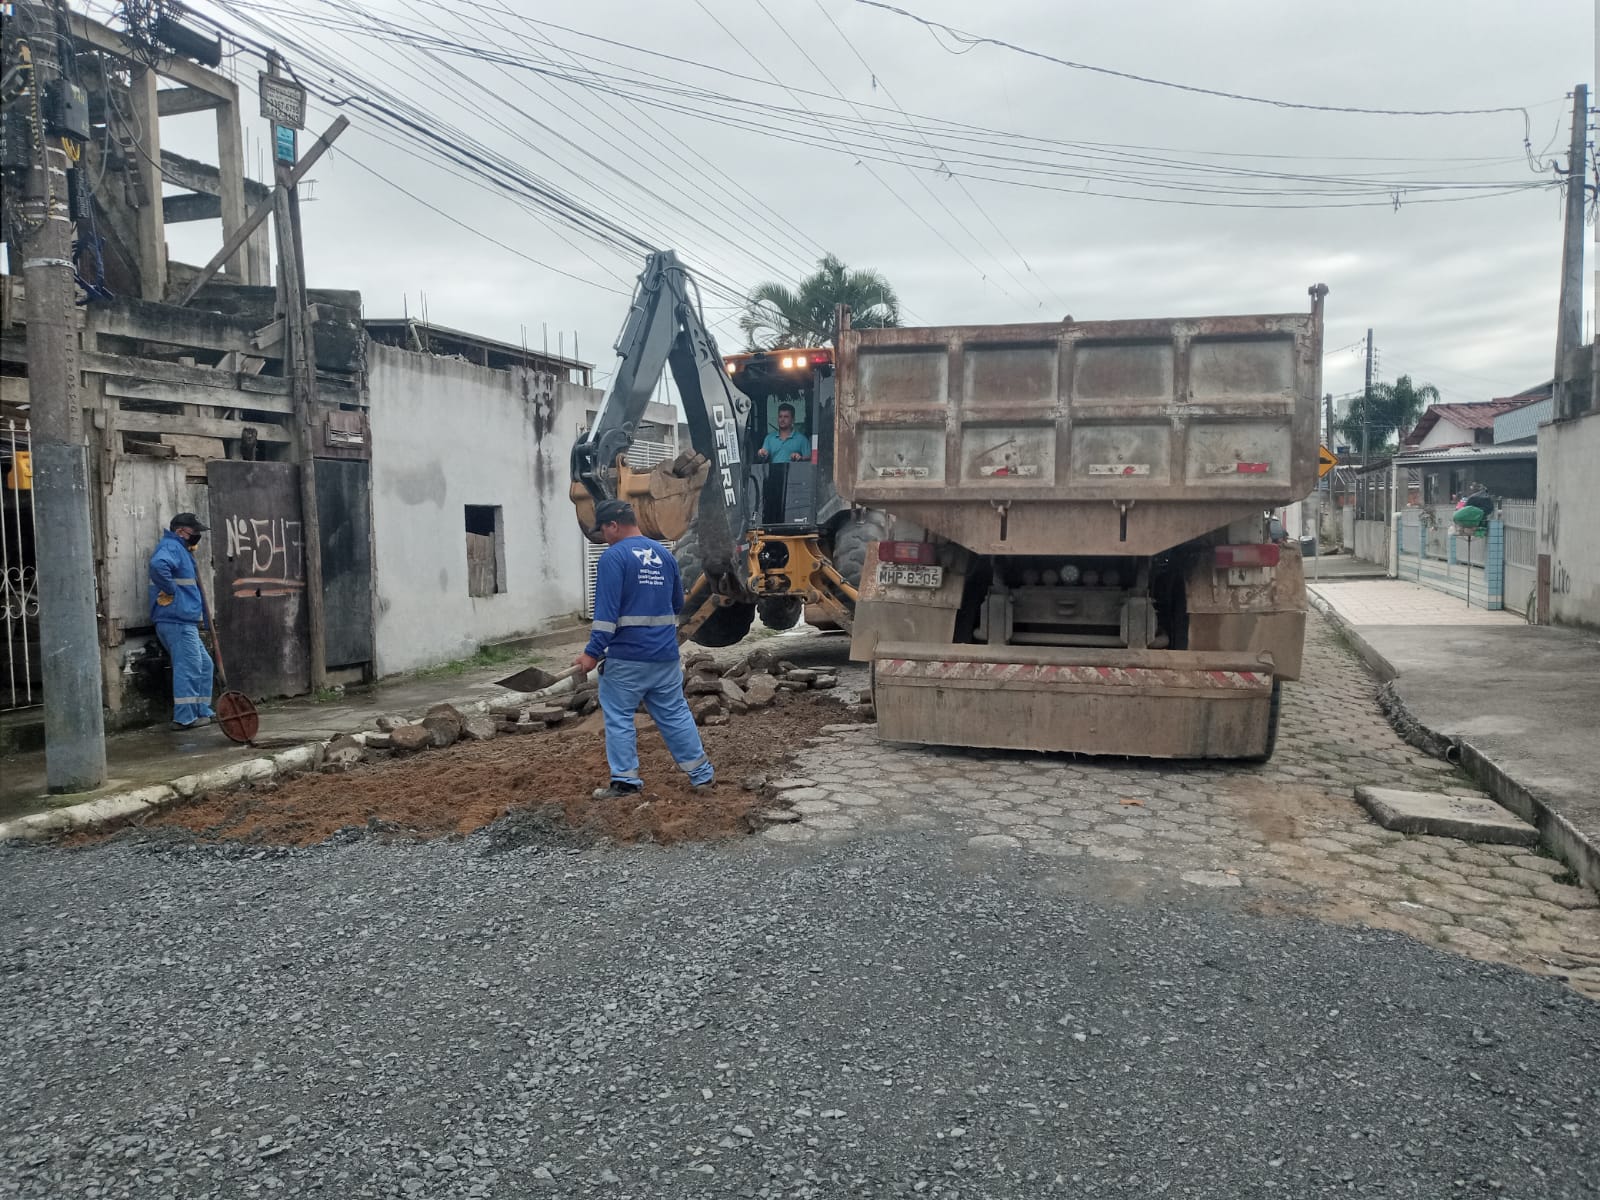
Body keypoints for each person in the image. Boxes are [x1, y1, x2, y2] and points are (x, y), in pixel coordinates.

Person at [573, 498, 714, 799]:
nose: (604, 537)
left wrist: (591, 654)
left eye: (603, 530)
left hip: (627, 658)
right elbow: (677, 604)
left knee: (620, 716)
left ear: (613, 525)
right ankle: (701, 776)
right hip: (664, 655)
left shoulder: (614, 558)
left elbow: (606, 618)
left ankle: (625, 783)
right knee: (675, 713)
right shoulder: (665, 555)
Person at [148, 512, 216, 731]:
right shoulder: (172, 547)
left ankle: (202, 710)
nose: (197, 536)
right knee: (188, 667)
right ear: (180, 531)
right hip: (176, 620)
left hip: (185, 621)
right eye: (194, 532)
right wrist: (171, 590)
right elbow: (158, 565)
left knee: (205, 665)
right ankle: (185, 718)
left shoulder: (182, 550)